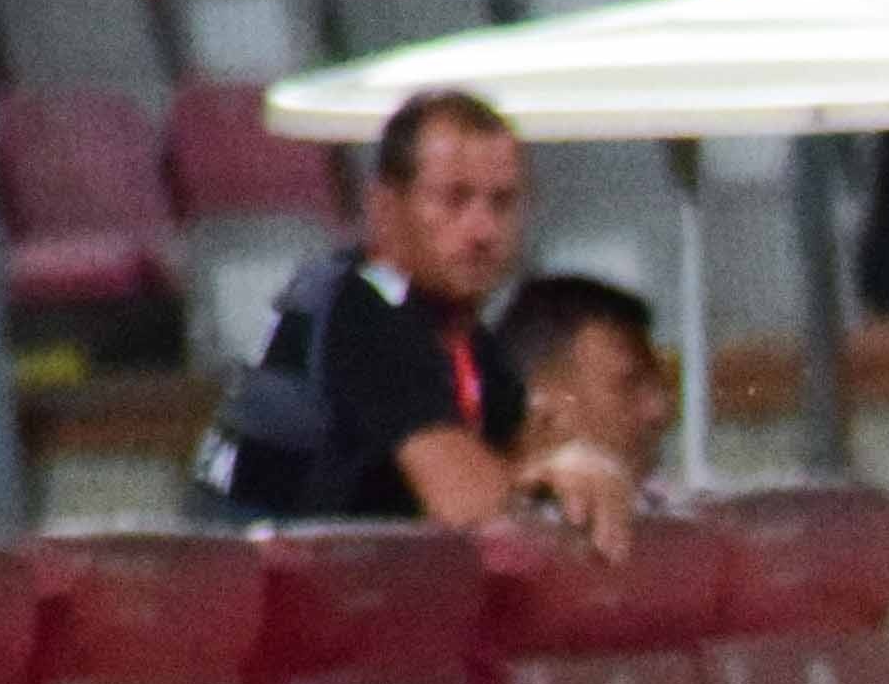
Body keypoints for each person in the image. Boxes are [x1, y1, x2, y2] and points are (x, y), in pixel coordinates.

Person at [189, 89, 642, 554]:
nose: (482, 230)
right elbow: (467, 505)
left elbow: (525, 459)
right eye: (453, 199)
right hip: (242, 587)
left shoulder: (469, 343)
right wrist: (555, 472)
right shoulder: (360, 309)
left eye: (502, 203)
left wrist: (572, 466)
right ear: (385, 206)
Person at [495, 271, 675, 493]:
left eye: (658, 384)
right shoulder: (468, 511)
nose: (659, 411)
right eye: (629, 385)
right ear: (539, 408)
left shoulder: (665, 504)